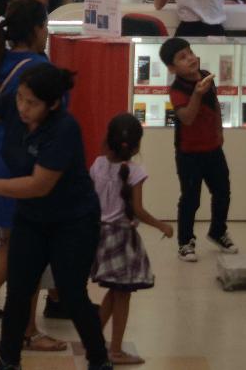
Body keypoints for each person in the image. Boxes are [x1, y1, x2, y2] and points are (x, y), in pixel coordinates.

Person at [0, 64, 108, 370]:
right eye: (21, 99)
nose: (23, 107)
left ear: (53, 104)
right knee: (18, 290)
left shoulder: (64, 129)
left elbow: (39, 185)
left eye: (32, 103)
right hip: (31, 217)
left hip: (73, 220)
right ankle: (8, 361)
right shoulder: (15, 104)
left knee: (71, 293)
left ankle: (99, 360)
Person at [0, 0, 65, 348]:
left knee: (14, 243)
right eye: (45, 26)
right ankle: (24, 329)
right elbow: (53, 123)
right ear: (36, 30)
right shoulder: (39, 70)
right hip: (25, 168)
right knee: (29, 249)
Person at [90, 113, 173, 364]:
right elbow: (138, 210)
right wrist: (161, 226)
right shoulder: (136, 171)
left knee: (114, 291)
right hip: (123, 240)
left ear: (108, 140)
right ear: (136, 146)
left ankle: (93, 340)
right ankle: (115, 350)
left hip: (100, 235)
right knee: (123, 295)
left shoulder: (97, 165)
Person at [160, 37, 238, 262]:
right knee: (190, 199)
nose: (190, 58)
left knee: (222, 191)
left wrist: (219, 131)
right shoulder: (176, 89)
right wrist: (197, 93)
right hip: (189, 154)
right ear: (172, 68)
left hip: (213, 149)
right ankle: (185, 242)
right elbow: (187, 118)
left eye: (190, 52)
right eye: (182, 57)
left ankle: (218, 232)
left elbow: (215, 105)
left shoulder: (206, 77)